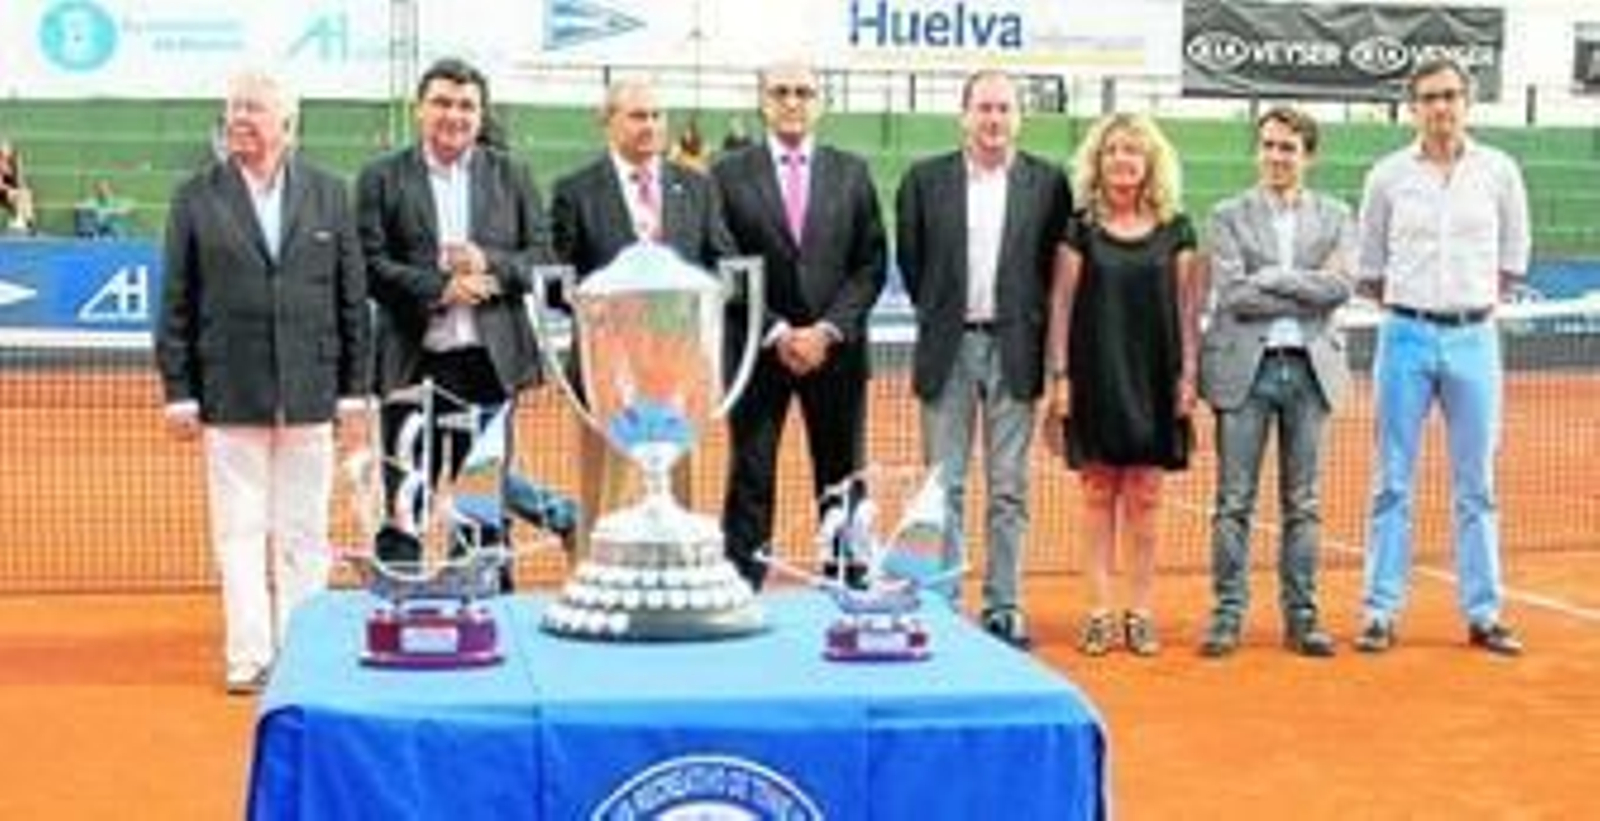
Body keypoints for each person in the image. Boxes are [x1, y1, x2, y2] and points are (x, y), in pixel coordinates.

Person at [155, 70, 371, 694]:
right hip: (230, 390)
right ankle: (248, 656)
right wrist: (179, 392)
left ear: (287, 124)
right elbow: (176, 300)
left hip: (313, 390)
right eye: (233, 108)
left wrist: (353, 390)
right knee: (240, 530)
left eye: (253, 108)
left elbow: (351, 298)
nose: (240, 118)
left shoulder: (330, 193)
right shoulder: (195, 197)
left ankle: (301, 653)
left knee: (305, 532)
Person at [1354, 58, 1530, 656]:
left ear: (1467, 102)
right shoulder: (1386, 177)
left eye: (1451, 95)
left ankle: (1484, 613)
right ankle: (1380, 611)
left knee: (1477, 484)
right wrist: (1416, 309)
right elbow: (1370, 266)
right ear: (1413, 107)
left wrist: (1467, 306)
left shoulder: (1500, 172)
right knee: (1391, 481)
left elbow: (1512, 259)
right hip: (1403, 335)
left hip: (1475, 339)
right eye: (1430, 97)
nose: (1441, 107)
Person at [356, 57, 549, 589]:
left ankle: (487, 608)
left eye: (467, 105)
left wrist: (490, 264)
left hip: (488, 368)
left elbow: (541, 256)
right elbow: (368, 265)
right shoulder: (381, 177)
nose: (454, 115)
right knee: (405, 500)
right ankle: (398, 602)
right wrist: (441, 288)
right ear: (420, 109)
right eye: (442, 102)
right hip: (410, 367)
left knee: (482, 507)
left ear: (481, 115)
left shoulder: (513, 175)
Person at [895, 70, 1071, 648]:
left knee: (1008, 489)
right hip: (947, 347)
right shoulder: (924, 181)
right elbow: (914, 262)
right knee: (942, 486)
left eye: (1003, 108)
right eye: (984, 108)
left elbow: (1052, 266)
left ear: (1019, 117)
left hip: (1016, 349)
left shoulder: (1049, 184)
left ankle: (1004, 605)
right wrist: (945, 314)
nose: (993, 119)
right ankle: (943, 603)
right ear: (964, 115)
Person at [713, 60, 887, 589]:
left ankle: (847, 583)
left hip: (836, 356)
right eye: (781, 92)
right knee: (751, 475)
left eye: (804, 92)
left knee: (842, 475)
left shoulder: (852, 172)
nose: (792, 101)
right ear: (762, 101)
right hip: (757, 352)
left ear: (821, 103)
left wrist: (826, 331)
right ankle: (741, 586)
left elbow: (870, 265)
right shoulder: (726, 174)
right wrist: (778, 332)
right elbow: (719, 261)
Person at [549, 78, 736, 552]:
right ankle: (597, 581)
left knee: (680, 497)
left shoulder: (697, 187)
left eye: (656, 115)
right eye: (637, 116)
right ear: (607, 122)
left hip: (679, 378)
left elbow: (720, 263)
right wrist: (611, 311)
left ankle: (678, 577)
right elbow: (558, 281)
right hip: (606, 377)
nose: (649, 126)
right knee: (602, 501)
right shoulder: (575, 191)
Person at [1198, 107, 1355, 659]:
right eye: (1267, 145)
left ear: (1307, 155)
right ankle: (1227, 616)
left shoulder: (1336, 215)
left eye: (1287, 147)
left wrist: (1276, 277)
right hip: (1246, 371)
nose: (1276, 156)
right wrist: (1305, 289)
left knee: (1303, 504)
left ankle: (1303, 619)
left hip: (1311, 373)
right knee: (1233, 502)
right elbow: (1235, 295)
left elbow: (1339, 287)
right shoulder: (1227, 215)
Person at [1044, 113, 1201, 657]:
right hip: (1095, 373)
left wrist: (1188, 376)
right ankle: (1098, 611)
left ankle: (1139, 611)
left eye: (1132, 150)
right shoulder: (1079, 228)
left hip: (1156, 375)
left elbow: (1187, 310)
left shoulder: (1177, 228)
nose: (1122, 160)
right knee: (1096, 493)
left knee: (1147, 496)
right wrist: (1060, 377)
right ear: (1098, 160)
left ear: (1150, 161)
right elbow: (1061, 306)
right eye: (1112, 150)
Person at [1, 138, 37, 233]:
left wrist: (22, 188)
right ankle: (19, 220)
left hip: (11, 191)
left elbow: (20, 180)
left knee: (27, 193)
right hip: (2, 192)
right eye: (4, 150)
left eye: (9, 149)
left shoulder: (14, 162)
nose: (7, 152)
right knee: (17, 195)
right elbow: (1, 186)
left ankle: (29, 222)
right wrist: (13, 190)